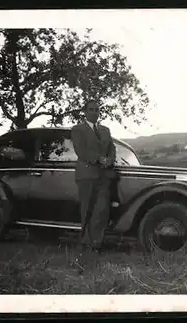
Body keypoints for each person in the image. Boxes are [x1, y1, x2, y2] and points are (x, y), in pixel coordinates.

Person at [71, 99, 116, 261]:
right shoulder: (78, 130)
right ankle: (84, 242)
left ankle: (97, 244)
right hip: (86, 175)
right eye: (91, 109)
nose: (95, 112)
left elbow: (112, 149)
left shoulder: (105, 130)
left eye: (97, 110)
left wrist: (109, 161)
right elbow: (80, 150)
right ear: (85, 111)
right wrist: (98, 159)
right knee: (87, 209)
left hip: (104, 175)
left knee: (101, 210)